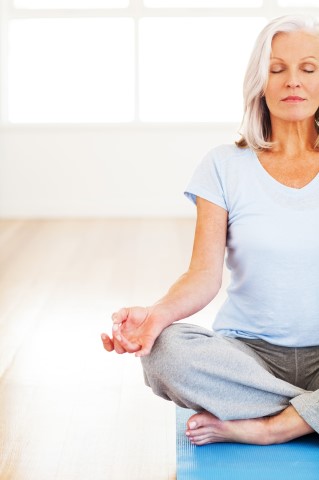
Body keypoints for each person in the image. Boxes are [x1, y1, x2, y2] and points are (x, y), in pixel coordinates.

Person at [101, 14, 319, 446]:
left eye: (308, 69)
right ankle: (309, 410)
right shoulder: (223, 165)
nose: (292, 81)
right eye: (277, 69)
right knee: (166, 353)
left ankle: (277, 425)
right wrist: (156, 315)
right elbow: (203, 275)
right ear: (259, 82)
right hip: (249, 356)